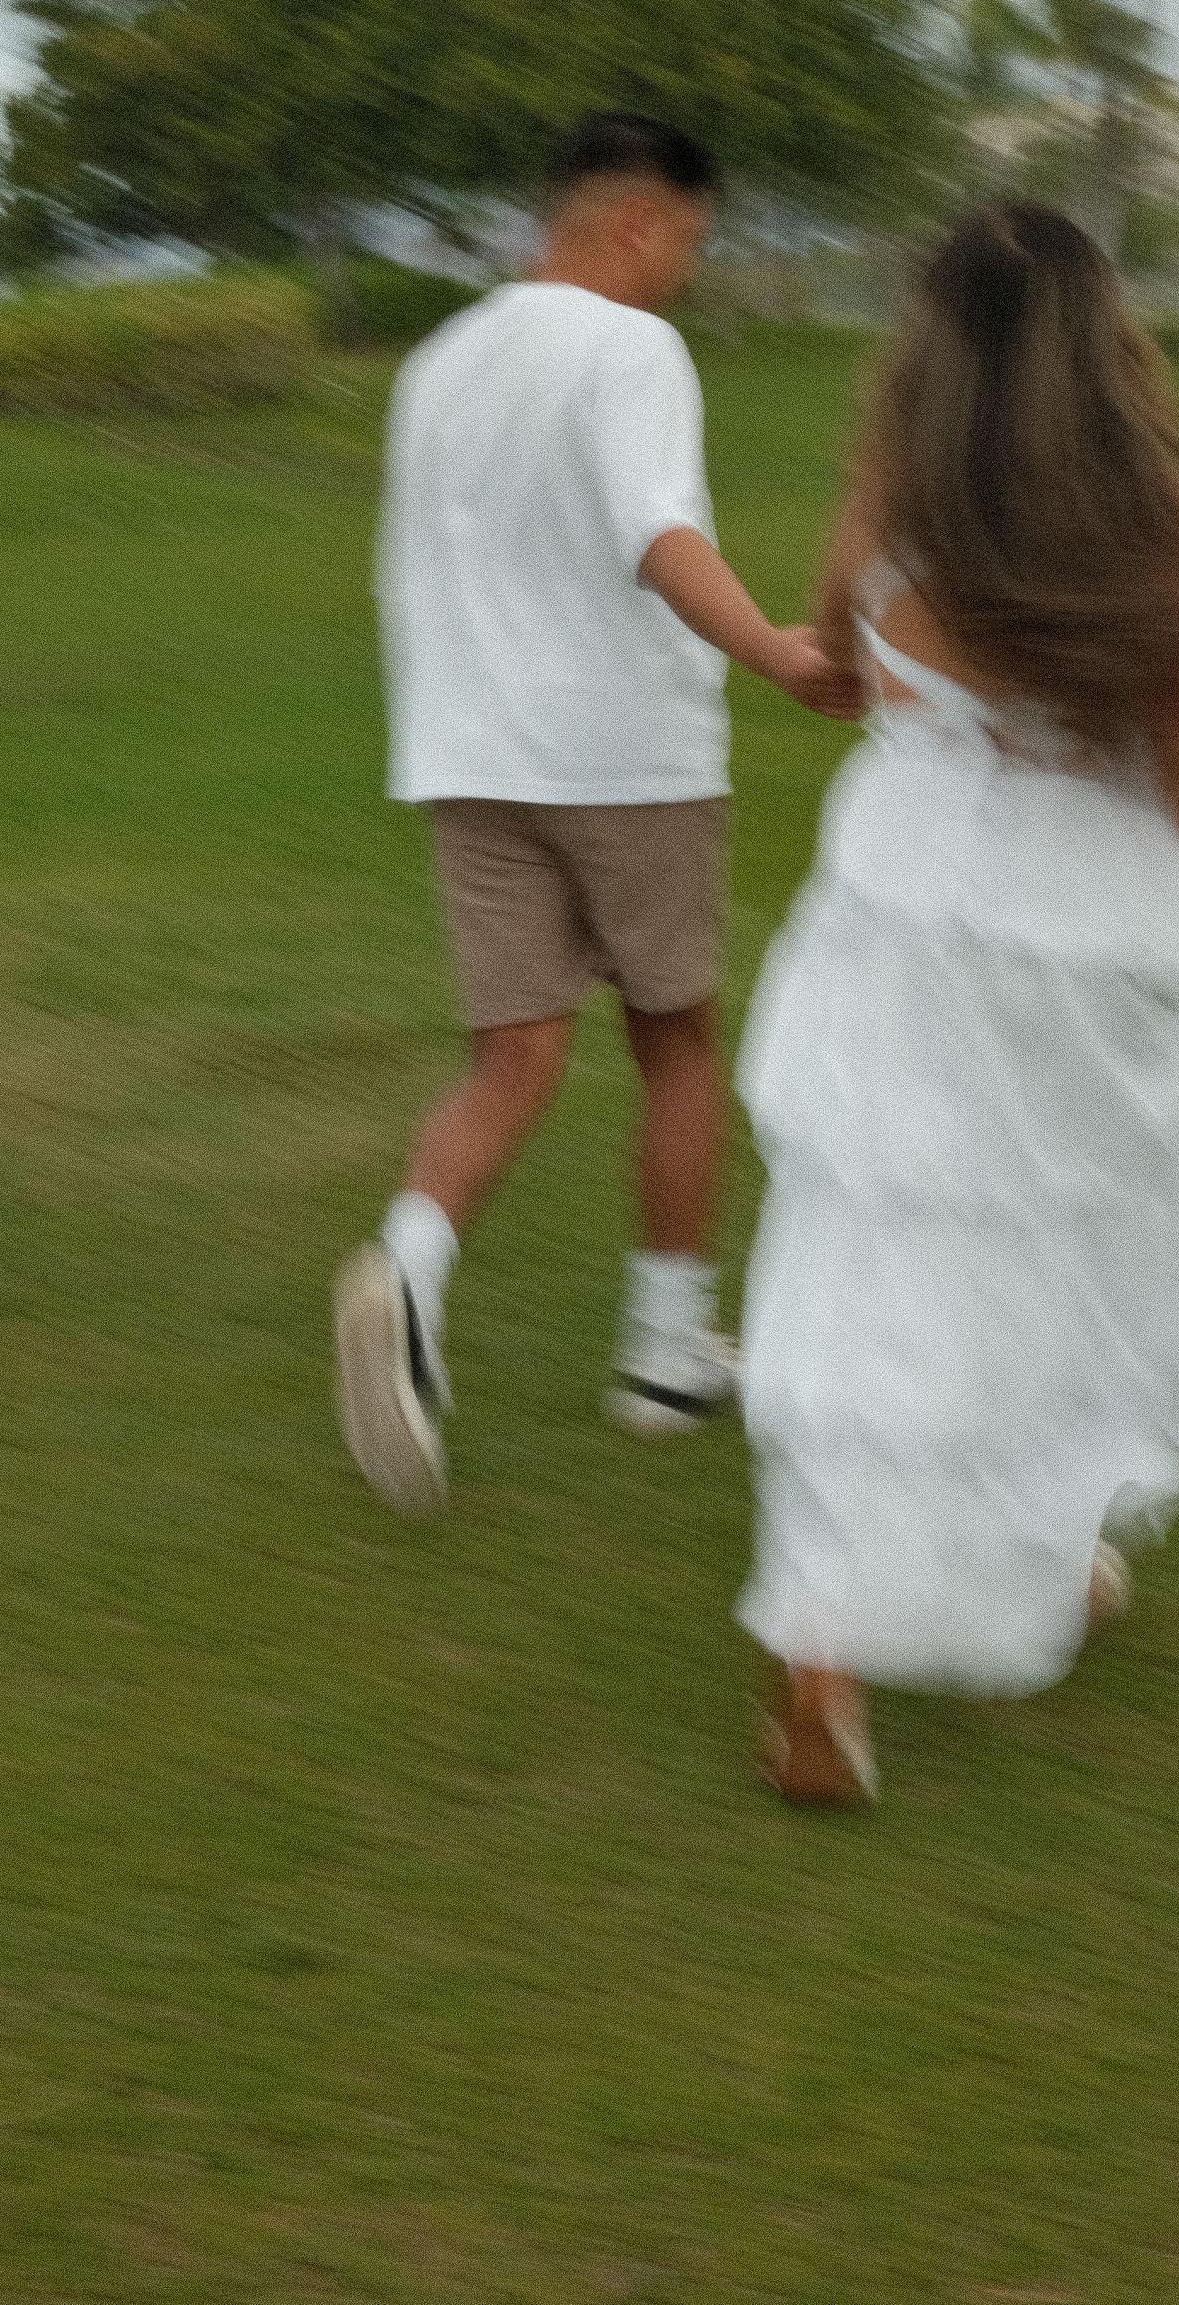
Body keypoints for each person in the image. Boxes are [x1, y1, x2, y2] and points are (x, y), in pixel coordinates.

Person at [732, 200, 1179, 1806]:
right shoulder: (1168, 525)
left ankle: (826, 1647)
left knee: (876, 1246)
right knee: (1072, 1244)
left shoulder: (889, 501)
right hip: (1092, 906)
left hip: (914, 890)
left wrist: (866, 674)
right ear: (1105, 340)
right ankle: (1051, 1535)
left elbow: (842, 662)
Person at [333, 111, 861, 1518]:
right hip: (628, 758)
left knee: (513, 1058)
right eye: (689, 240)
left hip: (467, 753)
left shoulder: (441, 361)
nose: (686, 269)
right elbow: (658, 534)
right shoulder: (632, 349)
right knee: (676, 1043)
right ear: (636, 221)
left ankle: (407, 1266)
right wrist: (777, 652)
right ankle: (665, 1355)